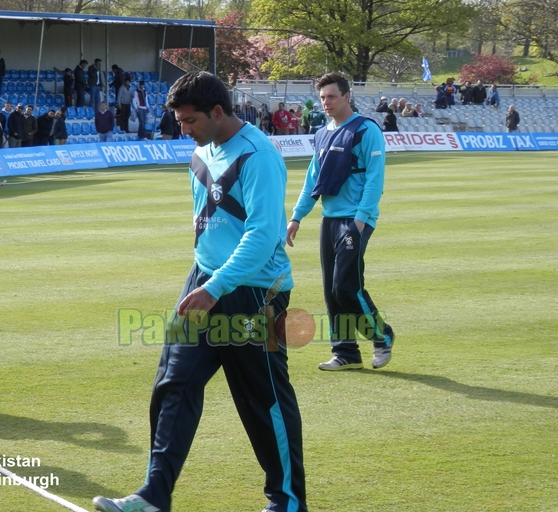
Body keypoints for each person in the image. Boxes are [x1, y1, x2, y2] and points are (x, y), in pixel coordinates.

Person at [92, 71, 307, 512]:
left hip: (252, 290)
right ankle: (154, 495)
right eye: (179, 121)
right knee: (174, 384)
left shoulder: (258, 155)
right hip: (205, 280)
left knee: (261, 398)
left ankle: (287, 502)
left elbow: (264, 233)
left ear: (217, 111)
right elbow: (207, 218)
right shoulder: (201, 152)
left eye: (189, 121)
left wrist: (217, 286)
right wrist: (203, 276)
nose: (182, 130)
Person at [286, 72, 395, 372]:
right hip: (330, 220)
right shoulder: (321, 133)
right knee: (330, 291)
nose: (326, 102)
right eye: (322, 98)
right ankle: (346, 352)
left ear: (347, 96)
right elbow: (313, 181)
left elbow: (375, 178)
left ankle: (382, 335)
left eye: (332, 96)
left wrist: (361, 220)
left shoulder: (366, 130)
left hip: (355, 220)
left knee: (345, 287)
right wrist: (297, 216)